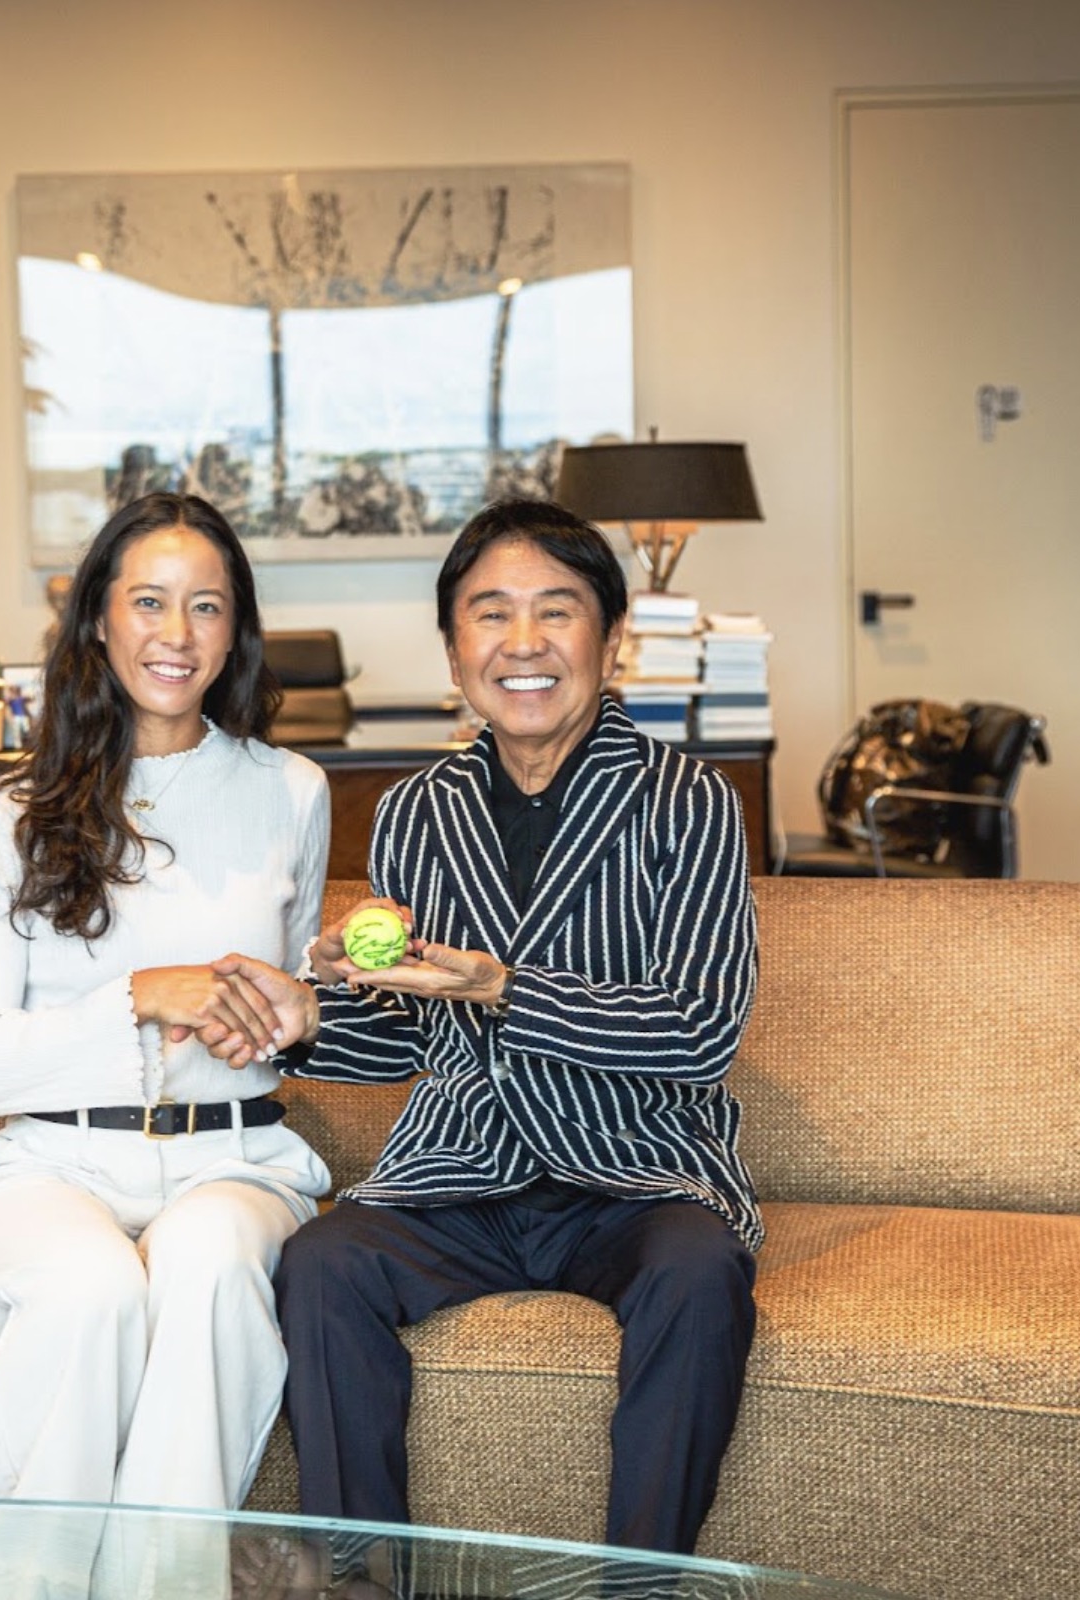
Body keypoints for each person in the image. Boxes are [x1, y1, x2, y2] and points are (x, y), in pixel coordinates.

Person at [199, 498, 761, 1557]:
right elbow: (412, 1036)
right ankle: (363, 1578)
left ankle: (637, 1583)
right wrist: (305, 1016)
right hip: (461, 1176)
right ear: (455, 648)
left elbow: (698, 1031)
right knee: (321, 1265)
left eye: (557, 610)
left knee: (699, 1273)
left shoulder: (688, 800)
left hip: (636, 1175)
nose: (523, 643)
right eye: (491, 614)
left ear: (610, 637)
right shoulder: (416, 809)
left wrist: (504, 985)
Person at [0, 490, 333, 1513]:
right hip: (51, 1164)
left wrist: (300, 1007)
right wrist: (142, 997)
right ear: (98, 619)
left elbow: (291, 1018)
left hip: (235, 1159)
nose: (176, 634)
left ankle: (164, 1575)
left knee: (208, 1266)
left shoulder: (290, 789)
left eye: (207, 606)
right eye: (148, 601)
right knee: (90, 1290)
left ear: (235, 631)